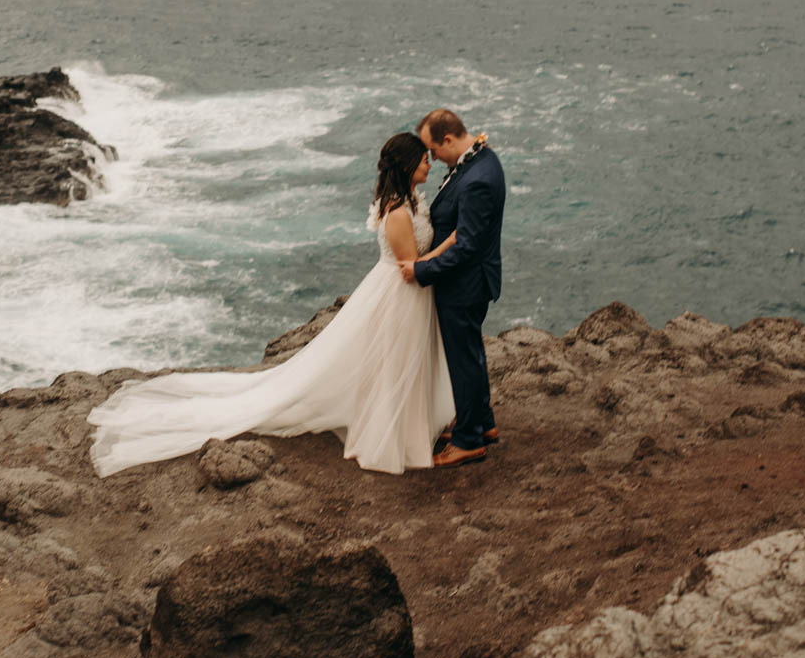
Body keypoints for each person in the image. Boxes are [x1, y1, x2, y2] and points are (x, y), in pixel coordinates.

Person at [88, 132, 457, 477]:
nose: (430, 164)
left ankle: (410, 426)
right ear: (408, 166)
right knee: (392, 365)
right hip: (398, 294)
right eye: (424, 160)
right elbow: (411, 269)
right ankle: (391, 434)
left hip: (406, 296)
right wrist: (453, 243)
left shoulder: (410, 203)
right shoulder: (396, 213)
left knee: (400, 364)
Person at [399, 109, 504, 468]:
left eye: (432, 150)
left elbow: (468, 245)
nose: (430, 159)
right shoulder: (478, 160)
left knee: (463, 360)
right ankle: (482, 422)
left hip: (465, 284)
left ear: (448, 140)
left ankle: (468, 440)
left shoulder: (477, 178)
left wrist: (423, 270)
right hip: (468, 280)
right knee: (468, 353)